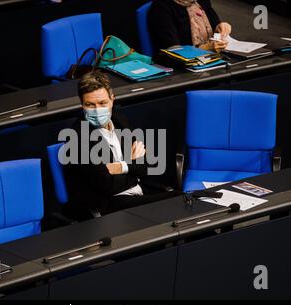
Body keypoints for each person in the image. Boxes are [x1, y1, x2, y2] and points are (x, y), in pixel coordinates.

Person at [63, 71, 179, 221]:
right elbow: (108, 186)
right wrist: (133, 164)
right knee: (178, 201)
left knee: (184, 200)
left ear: (112, 99)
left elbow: (148, 164)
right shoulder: (77, 138)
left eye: (102, 103)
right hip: (111, 206)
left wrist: (120, 167)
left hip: (138, 192)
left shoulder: (119, 121)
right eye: (90, 105)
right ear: (82, 105)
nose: (97, 110)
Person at [148, 0, 232, 52]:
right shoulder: (161, 7)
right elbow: (172, 51)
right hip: (182, 68)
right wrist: (204, 48)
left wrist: (222, 26)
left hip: (211, 58)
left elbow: (216, 27)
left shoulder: (200, 1)